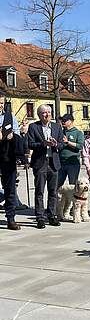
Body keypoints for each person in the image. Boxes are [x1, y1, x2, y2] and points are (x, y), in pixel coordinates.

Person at [27, 104, 64, 229]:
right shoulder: (33, 127)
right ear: (39, 115)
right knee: (39, 192)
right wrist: (44, 143)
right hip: (40, 162)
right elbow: (30, 144)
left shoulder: (57, 127)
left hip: (53, 163)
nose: (47, 114)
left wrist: (55, 144)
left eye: (49, 112)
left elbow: (61, 145)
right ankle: (40, 217)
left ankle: (52, 215)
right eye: (44, 112)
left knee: (53, 191)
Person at [0, 94, 21, 230]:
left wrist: (12, 136)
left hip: (7, 157)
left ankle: (11, 218)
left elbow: (17, 135)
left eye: (1, 102)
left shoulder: (10, 117)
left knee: (10, 189)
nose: (0, 105)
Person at [57, 114, 84, 188]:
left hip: (73, 164)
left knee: (73, 186)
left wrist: (68, 142)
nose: (63, 122)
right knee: (57, 185)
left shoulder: (78, 133)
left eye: (65, 120)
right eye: (62, 121)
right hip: (61, 163)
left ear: (71, 121)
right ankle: (57, 199)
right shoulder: (60, 132)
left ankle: (72, 199)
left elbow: (80, 146)